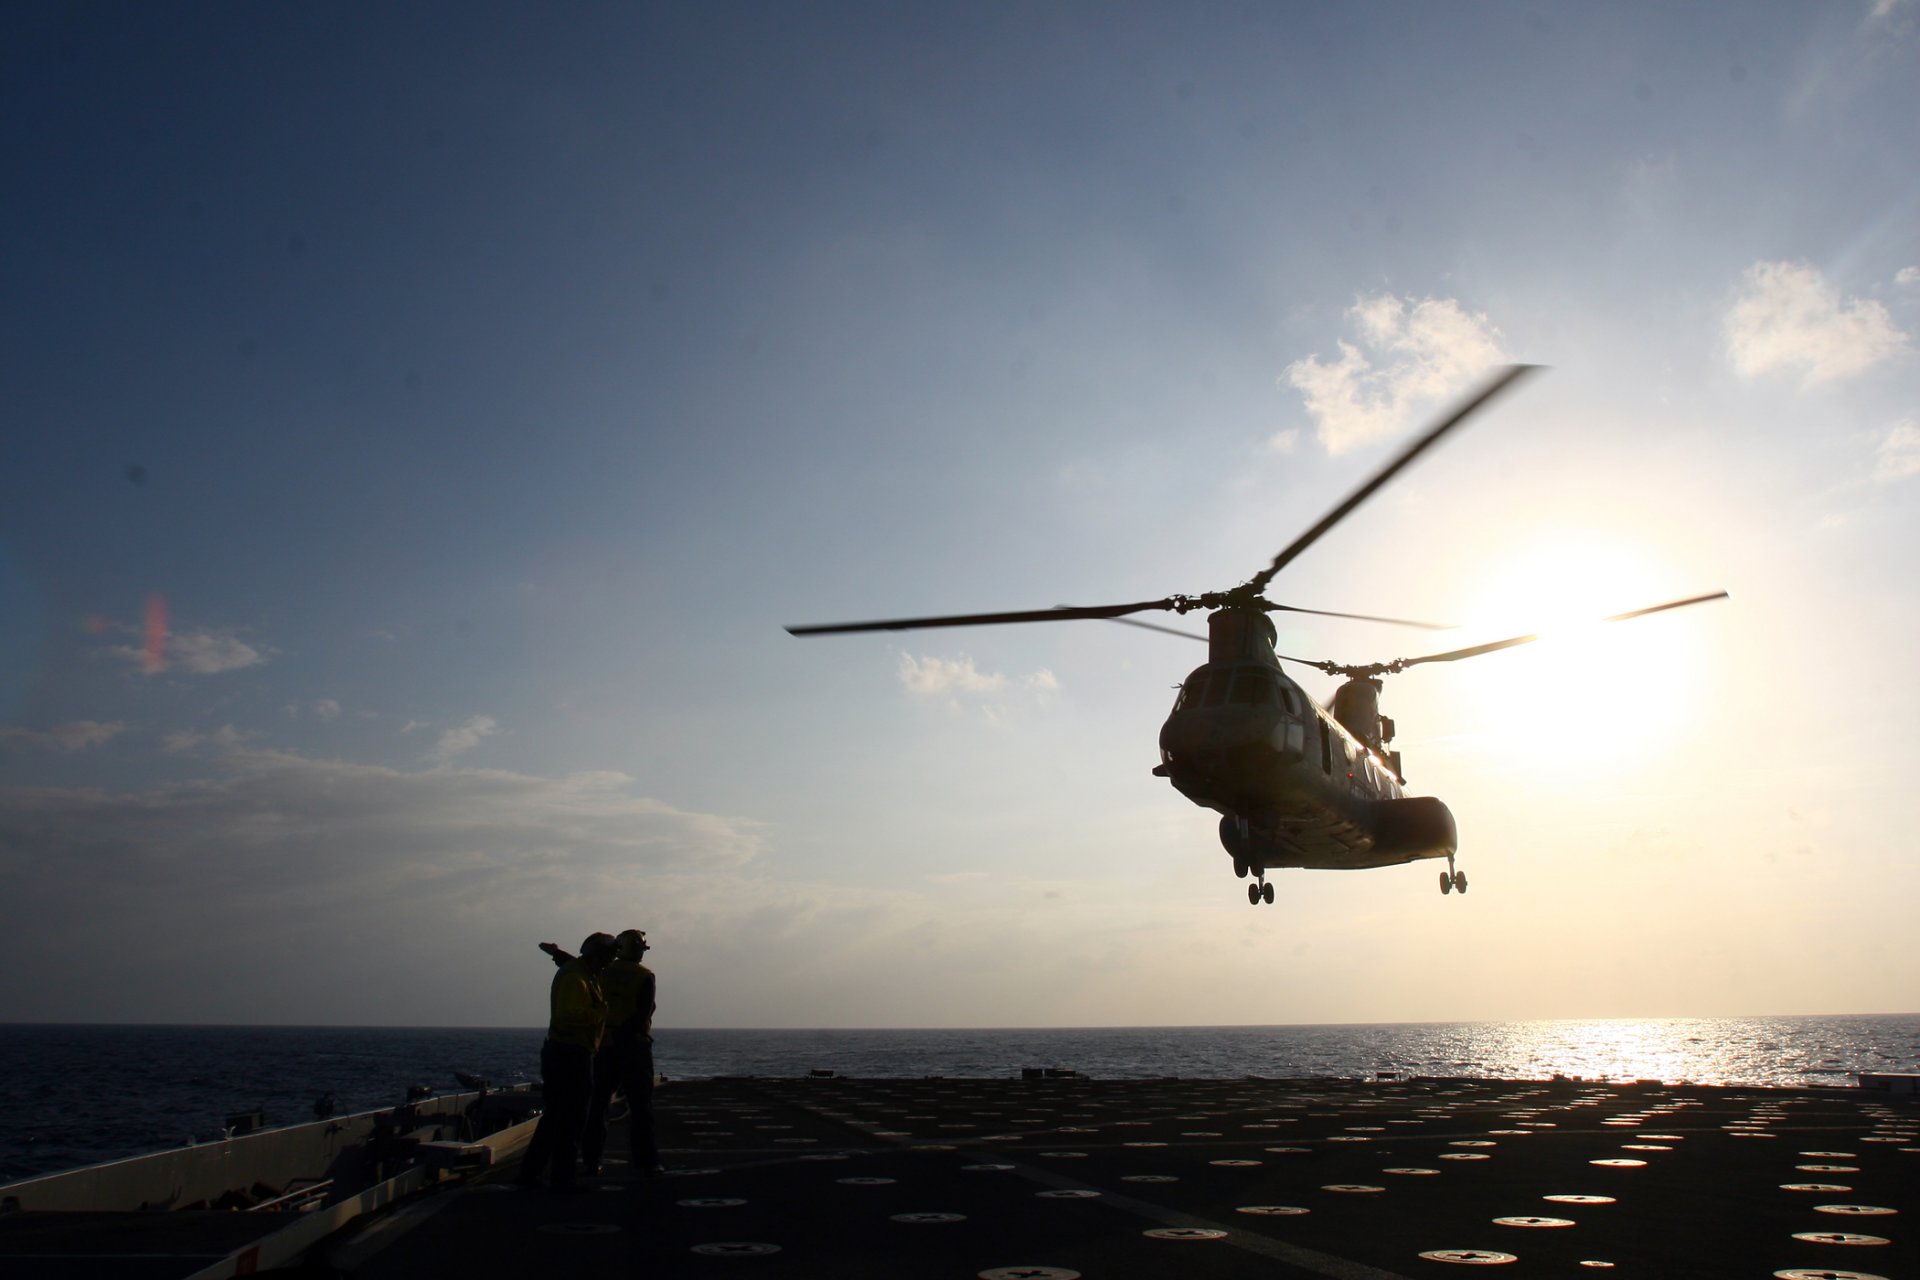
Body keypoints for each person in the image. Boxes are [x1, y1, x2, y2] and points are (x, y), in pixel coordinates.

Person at [516, 932, 616, 1191]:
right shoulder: (576, 978)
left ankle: (539, 1173)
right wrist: (600, 1013)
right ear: (598, 956)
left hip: (569, 1053)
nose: (609, 962)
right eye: (607, 956)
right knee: (569, 1117)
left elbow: (575, 965)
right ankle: (561, 1176)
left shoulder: (584, 972)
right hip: (570, 1054)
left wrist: (557, 953)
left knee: (559, 1117)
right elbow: (568, 1016)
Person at [582, 928, 660, 1176]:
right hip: (634, 1046)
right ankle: (646, 1162)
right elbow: (642, 1014)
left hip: (604, 1045)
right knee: (640, 1108)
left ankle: (592, 1160)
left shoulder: (602, 972)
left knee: (598, 1106)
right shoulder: (644, 976)